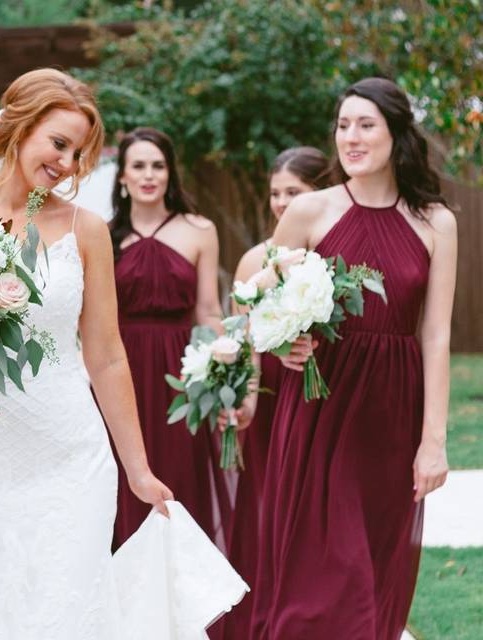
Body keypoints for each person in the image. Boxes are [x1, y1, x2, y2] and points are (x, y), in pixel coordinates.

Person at [250, 77, 456, 639]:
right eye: (343, 125)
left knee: (375, 565)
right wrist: (283, 340)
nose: (351, 137)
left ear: (397, 134)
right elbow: (258, 298)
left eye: (366, 125)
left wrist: (433, 441)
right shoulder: (309, 211)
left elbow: (436, 336)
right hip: (320, 401)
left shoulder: (436, 222)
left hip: (392, 410)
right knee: (319, 571)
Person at [218, 146, 330, 637]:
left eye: (294, 193)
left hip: (326, 394)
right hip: (272, 397)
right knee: (269, 512)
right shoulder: (253, 259)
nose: (282, 203)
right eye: (276, 194)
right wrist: (244, 394)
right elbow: (243, 338)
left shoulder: (331, 254)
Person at [108, 127, 230, 549]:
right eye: (138, 166)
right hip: (121, 370)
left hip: (182, 377)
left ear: (170, 173)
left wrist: (219, 379)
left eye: (158, 166)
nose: (149, 175)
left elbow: (209, 310)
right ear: (122, 177)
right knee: (123, 483)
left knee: (182, 480)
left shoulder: (200, 230)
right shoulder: (105, 236)